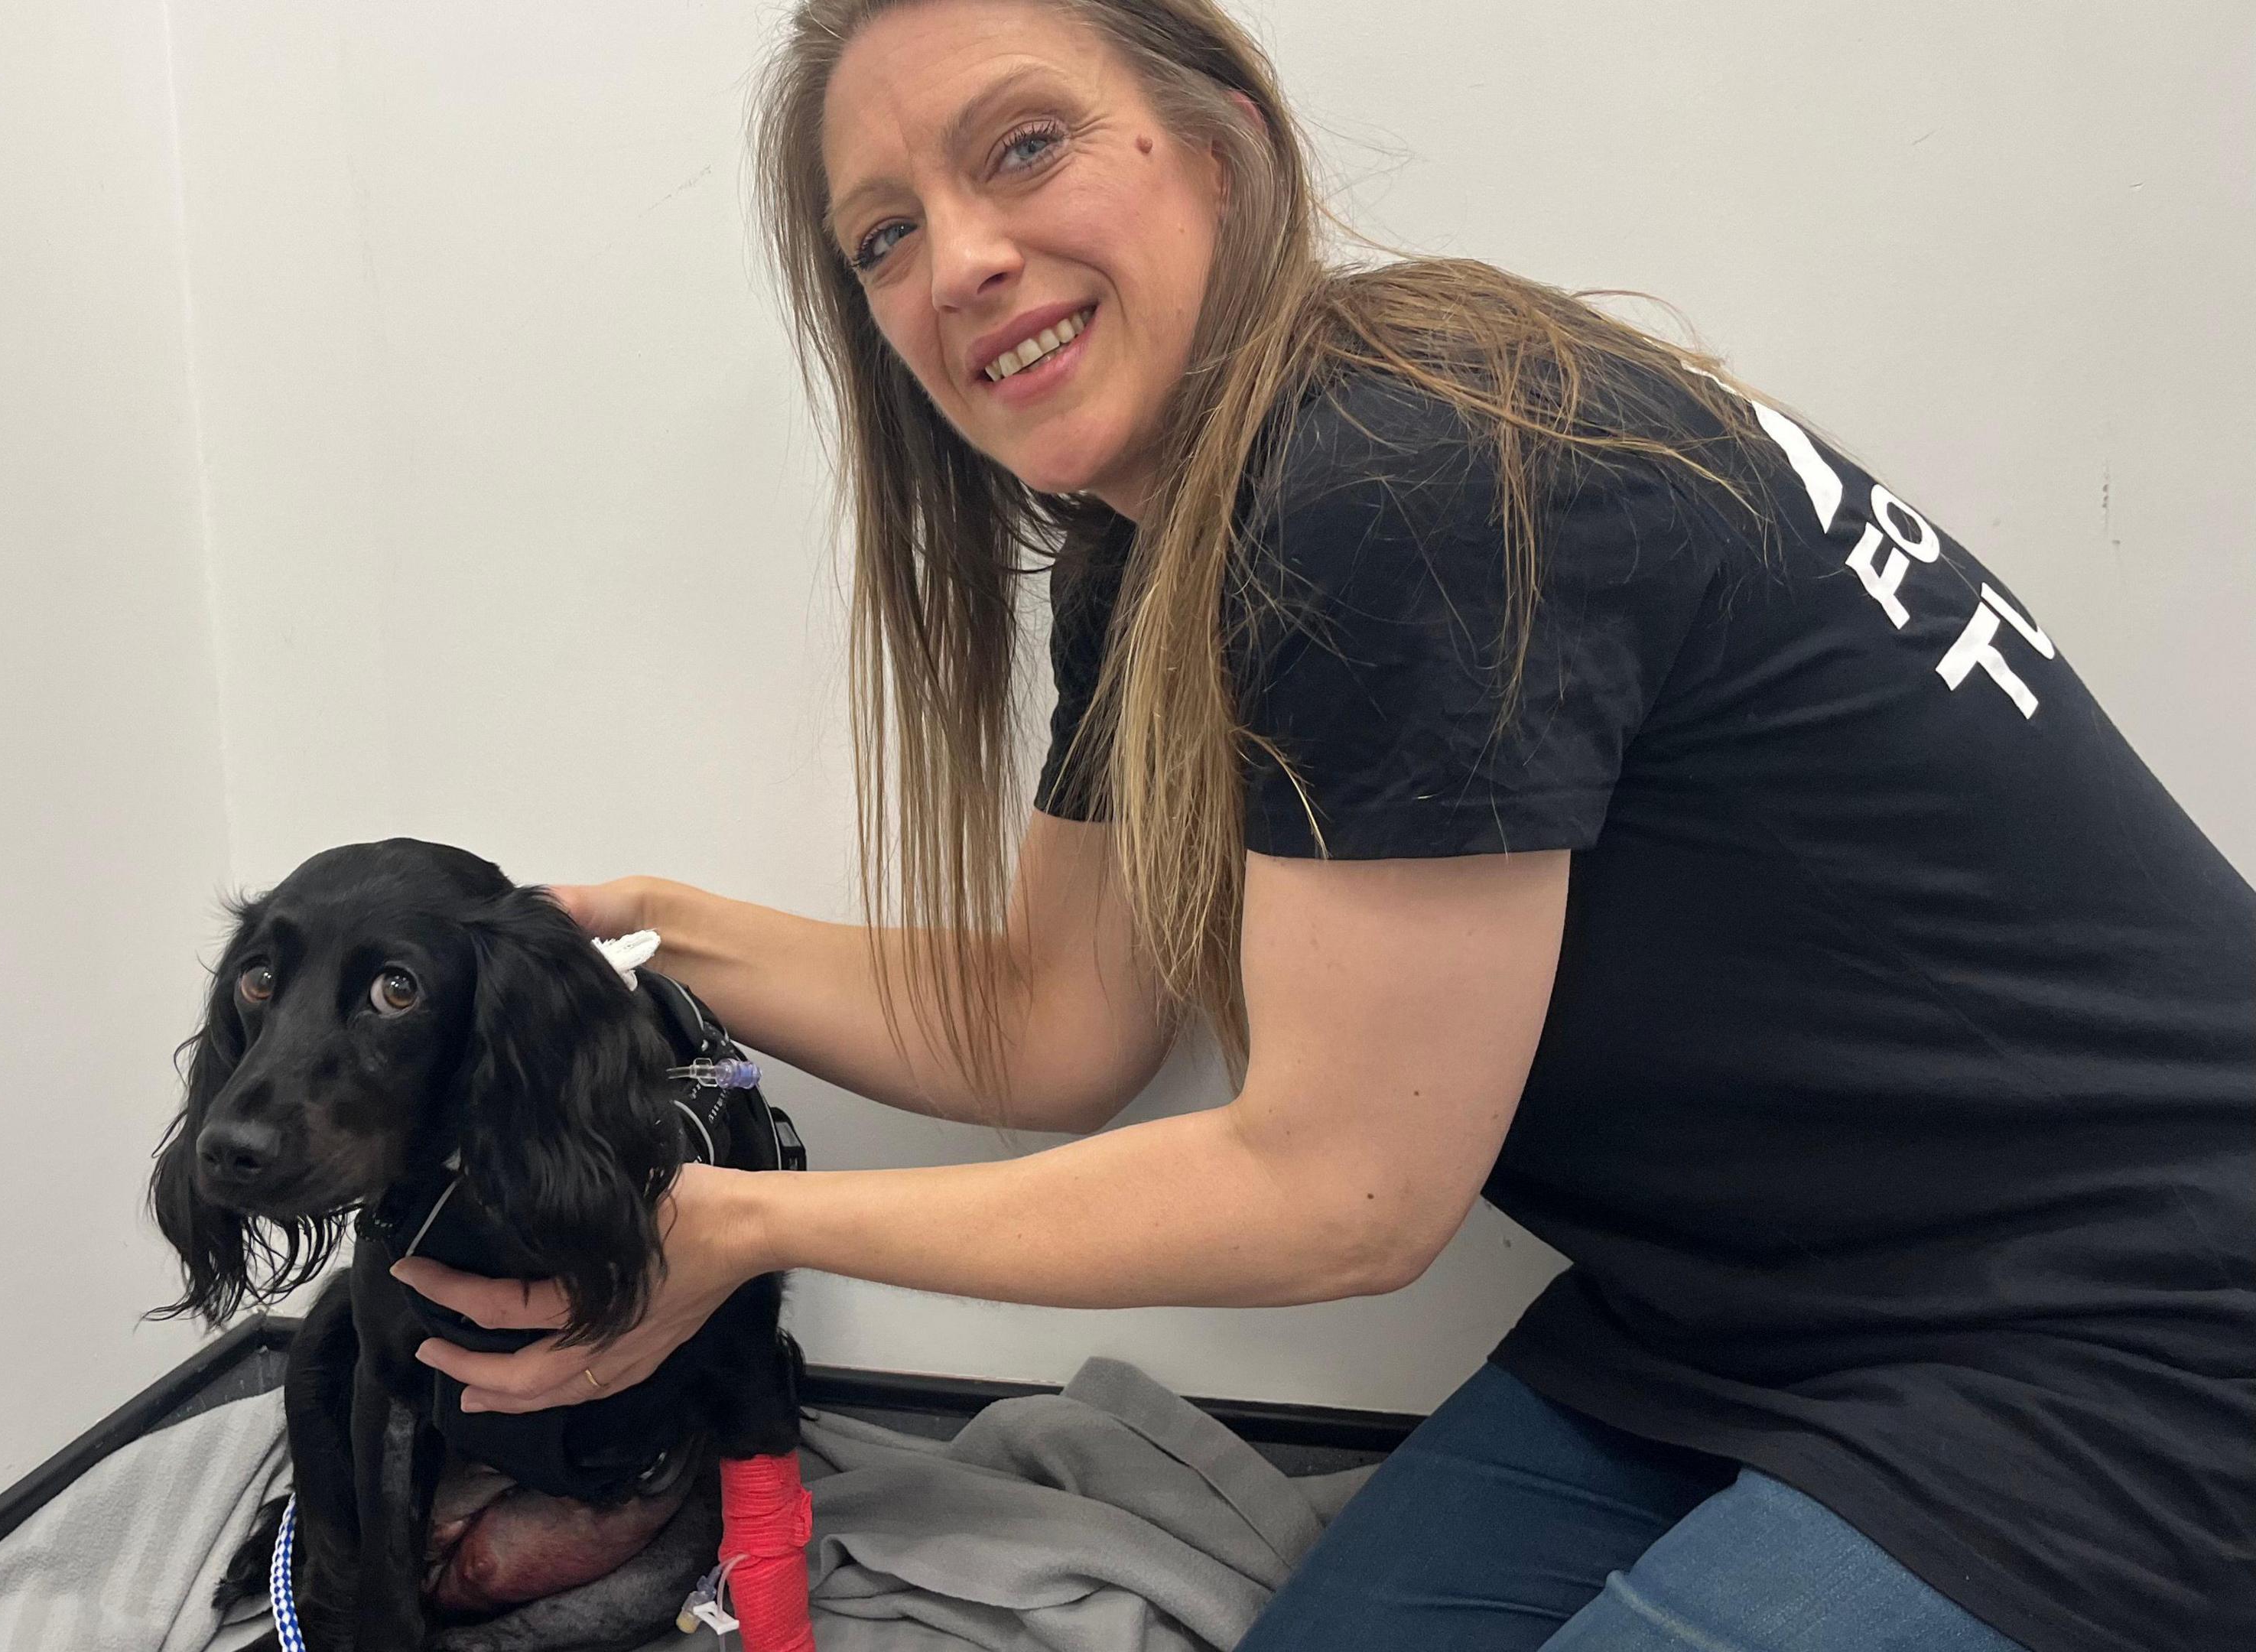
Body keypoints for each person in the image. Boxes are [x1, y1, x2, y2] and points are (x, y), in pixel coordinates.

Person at [384, 3, 2255, 1648]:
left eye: (1021, 146)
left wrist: (724, 1229)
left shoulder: (1399, 478)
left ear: (1220, 144)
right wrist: (636, 925)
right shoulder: (1155, 536)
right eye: (883, 237)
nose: (957, 259)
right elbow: (1058, 1022)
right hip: (1744, 1314)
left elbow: (1344, 1195)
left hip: (2138, 1328)